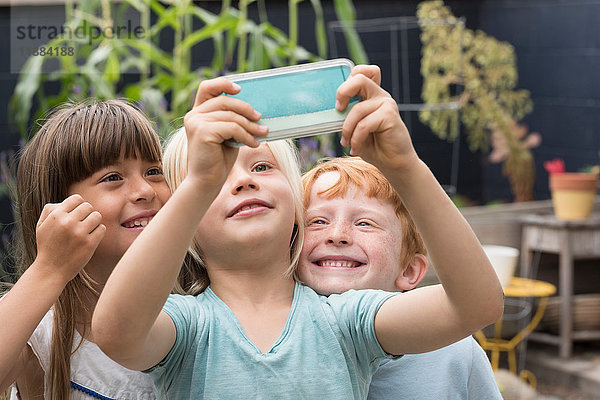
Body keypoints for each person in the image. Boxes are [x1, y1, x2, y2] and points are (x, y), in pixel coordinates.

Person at [91, 67, 504, 399]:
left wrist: (405, 166)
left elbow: (476, 306)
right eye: (216, 176)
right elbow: (115, 333)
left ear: (296, 209)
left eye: (262, 167)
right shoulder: (188, 327)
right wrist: (198, 183)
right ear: (185, 227)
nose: (241, 182)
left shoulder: (345, 320)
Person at [0, 100, 168, 399]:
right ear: (57, 209)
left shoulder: (196, 303)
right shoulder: (42, 334)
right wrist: (49, 269)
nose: (145, 191)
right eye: (113, 178)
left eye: (155, 171)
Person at [300, 156, 502, 399]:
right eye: (317, 221)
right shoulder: (276, 340)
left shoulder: (455, 352)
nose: (337, 234)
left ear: (408, 270)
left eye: (365, 223)